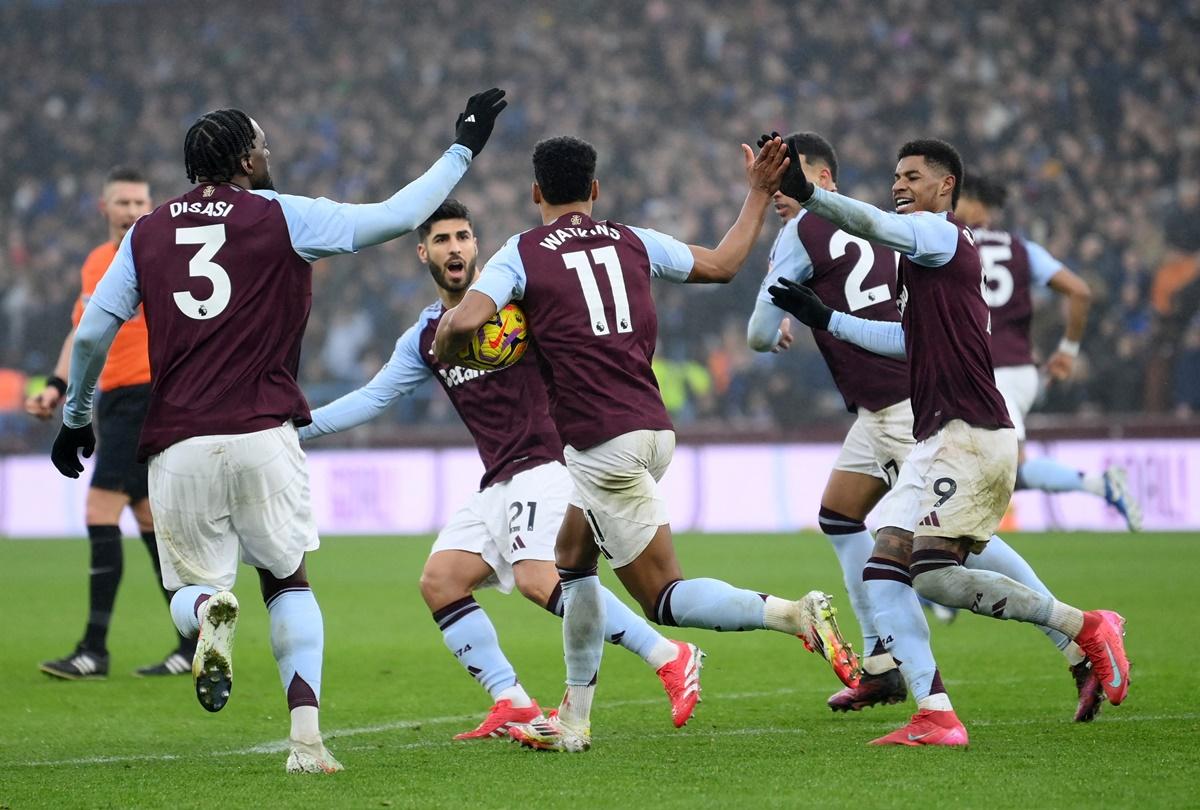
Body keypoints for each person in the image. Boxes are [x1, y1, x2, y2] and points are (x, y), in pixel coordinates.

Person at [49, 90, 507, 773]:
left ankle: (207, 614)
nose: (270, 154)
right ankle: (306, 742)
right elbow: (403, 214)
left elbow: (91, 334)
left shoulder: (145, 233)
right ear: (242, 160)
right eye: (261, 145)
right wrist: (464, 143)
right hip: (265, 434)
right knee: (288, 582)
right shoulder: (285, 215)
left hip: (177, 443)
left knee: (189, 594)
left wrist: (75, 416)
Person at [432, 135, 856, 753]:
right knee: (572, 565)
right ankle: (573, 721)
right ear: (595, 191)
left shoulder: (520, 253)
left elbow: (467, 321)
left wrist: (446, 342)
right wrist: (758, 195)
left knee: (662, 596)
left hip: (602, 444)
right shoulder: (630, 238)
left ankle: (793, 614)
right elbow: (723, 264)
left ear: (536, 194)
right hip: (649, 427)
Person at [767, 136, 1130, 746]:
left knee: (932, 574)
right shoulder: (924, 262)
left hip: (971, 434)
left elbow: (875, 223)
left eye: (913, 175)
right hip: (941, 436)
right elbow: (905, 343)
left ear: (945, 188)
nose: (899, 184)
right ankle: (934, 712)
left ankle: (1086, 624)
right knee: (887, 570)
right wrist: (825, 320)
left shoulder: (940, 235)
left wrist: (809, 196)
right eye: (895, 175)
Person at [301, 199, 704, 736]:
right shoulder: (427, 336)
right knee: (441, 580)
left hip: (550, 462)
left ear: (477, 246)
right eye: (442, 240)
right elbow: (373, 398)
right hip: (499, 480)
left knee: (542, 579)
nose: (455, 248)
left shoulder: (517, 305)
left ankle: (667, 653)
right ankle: (511, 698)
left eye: (464, 237)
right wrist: (296, 428)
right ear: (423, 252)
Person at [26, 167, 195, 679]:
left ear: (151, 206)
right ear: (105, 208)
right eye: (121, 202)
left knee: (101, 508)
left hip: (146, 396)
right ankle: (194, 643)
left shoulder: (161, 258)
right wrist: (57, 386)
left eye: (139, 201)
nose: (130, 210)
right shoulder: (97, 263)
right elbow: (82, 332)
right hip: (114, 400)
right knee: (146, 521)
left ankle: (93, 650)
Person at [955, 174, 1141, 530]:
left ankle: (1099, 484)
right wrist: (1068, 351)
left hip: (991, 372)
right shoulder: (1022, 249)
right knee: (984, 471)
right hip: (1018, 370)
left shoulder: (951, 244)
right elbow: (1080, 292)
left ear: (976, 202)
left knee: (1009, 470)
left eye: (958, 198)